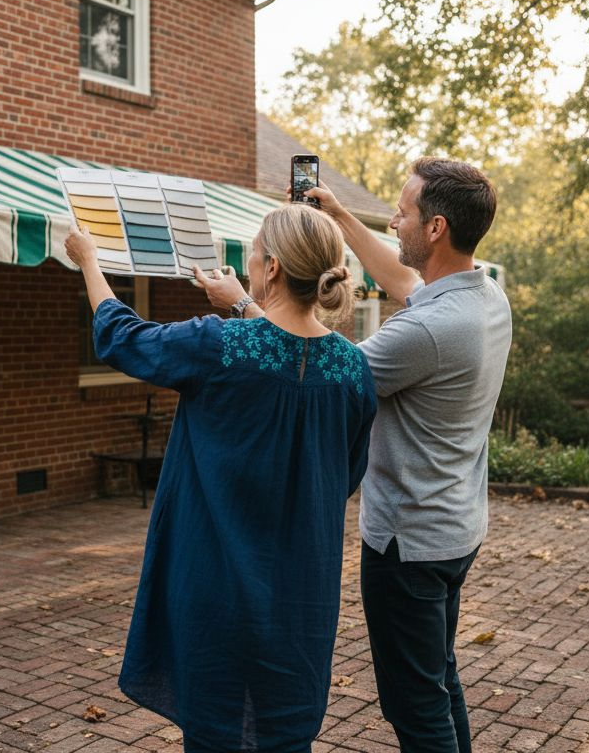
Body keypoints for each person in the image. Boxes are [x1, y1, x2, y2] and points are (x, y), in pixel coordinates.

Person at [198, 158, 511, 752]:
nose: (394, 221)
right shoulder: (483, 297)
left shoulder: (427, 331)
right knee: (439, 681)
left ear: (436, 228)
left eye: (403, 212)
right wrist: (339, 215)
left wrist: (241, 302)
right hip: (456, 527)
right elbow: (401, 279)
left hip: (408, 543)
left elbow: (316, 368)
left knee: (415, 707)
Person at [66, 202, 378, 753]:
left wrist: (89, 260)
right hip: (302, 592)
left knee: (214, 731)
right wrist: (244, 302)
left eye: (255, 252)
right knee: (285, 732)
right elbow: (343, 473)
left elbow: (121, 336)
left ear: (273, 268)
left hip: (215, 584)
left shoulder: (218, 345)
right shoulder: (352, 369)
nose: (249, 260)